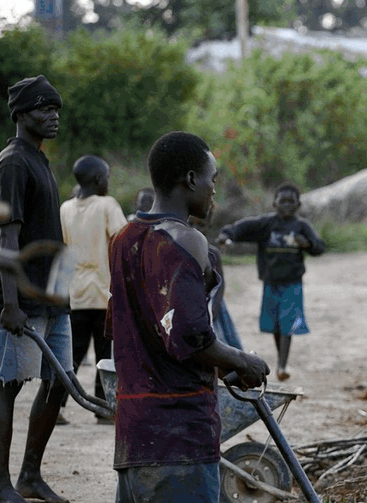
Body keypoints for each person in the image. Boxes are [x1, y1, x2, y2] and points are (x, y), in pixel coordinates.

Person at [107, 131, 269, 502]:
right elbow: (192, 336)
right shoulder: (186, 240)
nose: (214, 189)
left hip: (134, 436)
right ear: (192, 180)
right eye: (212, 178)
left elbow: (135, 329)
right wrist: (243, 359)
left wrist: (225, 364)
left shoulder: (123, 238)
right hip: (180, 436)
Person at [0, 75, 73, 503]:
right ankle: (2, 486)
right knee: (10, 384)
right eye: (42, 108)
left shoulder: (39, 159)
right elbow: (7, 238)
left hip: (52, 297)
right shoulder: (14, 162)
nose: (52, 115)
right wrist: (10, 305)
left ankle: (30, 475)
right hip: (22, 299)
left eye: (55, 109)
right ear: (20, 115)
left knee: (59, 382)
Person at [217, 183, 326, 382]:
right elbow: (243, 227)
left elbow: (319, 247)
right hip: (270, 283)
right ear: (274, 203)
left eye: (290, 201)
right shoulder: (267, 224)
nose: (286, 205)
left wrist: (308, 244)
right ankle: (281, 360)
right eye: (282, 201)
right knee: (276, 325)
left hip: (292, 284)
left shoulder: (302, 226)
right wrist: (227, 234)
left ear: (298, 204)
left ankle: (283, 365)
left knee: (287, 324)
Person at [59, 155, 128, 425]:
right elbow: (123, 238)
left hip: (75, 292)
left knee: (72, 354)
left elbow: (62, 250)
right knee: (104, 355)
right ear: (99, 179)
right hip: (103, 292)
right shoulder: (106, 205)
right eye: (107, 176)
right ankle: (103, 408)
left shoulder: (65, 208)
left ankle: (57, 406)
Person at [191, 209, 243, 350]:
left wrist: (213, 312)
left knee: (222, 347)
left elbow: (220, 285)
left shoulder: (213, 254)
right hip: (191, 310)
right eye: (191, 224)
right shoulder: (178, 251)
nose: (195, 229)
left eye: (201, 225)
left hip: (212, 308)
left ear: (208, 227)